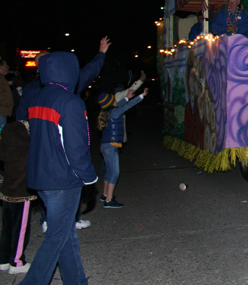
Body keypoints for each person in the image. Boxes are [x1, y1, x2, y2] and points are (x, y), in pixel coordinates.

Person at [21, 52, 97, 285]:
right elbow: (76, 146)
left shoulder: (37, 98)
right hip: (62, 180)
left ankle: (76, 280)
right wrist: (89, 177)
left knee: (65, 235)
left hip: (40, 177)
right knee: (56, 237)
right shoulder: (70, 102)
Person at [97, 87, 148, 208]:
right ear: (111, 102)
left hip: (105, 146)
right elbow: (126, 107)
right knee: (114, 173)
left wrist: (127, 97)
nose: (116, 100)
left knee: (109, 172)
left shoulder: (109, 111)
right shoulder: (114, 112)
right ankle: (109, 201)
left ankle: (104, 195)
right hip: (111, 146)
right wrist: (141, 96)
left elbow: (120, 104)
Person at [0, 120, 37, 275]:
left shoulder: (5, 147)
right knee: (20, 229)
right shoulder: (26, 150)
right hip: (22, 194)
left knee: (7, 227)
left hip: (7, 192)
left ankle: (3, 259)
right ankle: (17, 261)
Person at [0, 57, 12, 127]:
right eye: (6, 65)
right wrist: (8, 103)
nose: (8, 67)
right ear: (1, 67)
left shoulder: (2, 79)